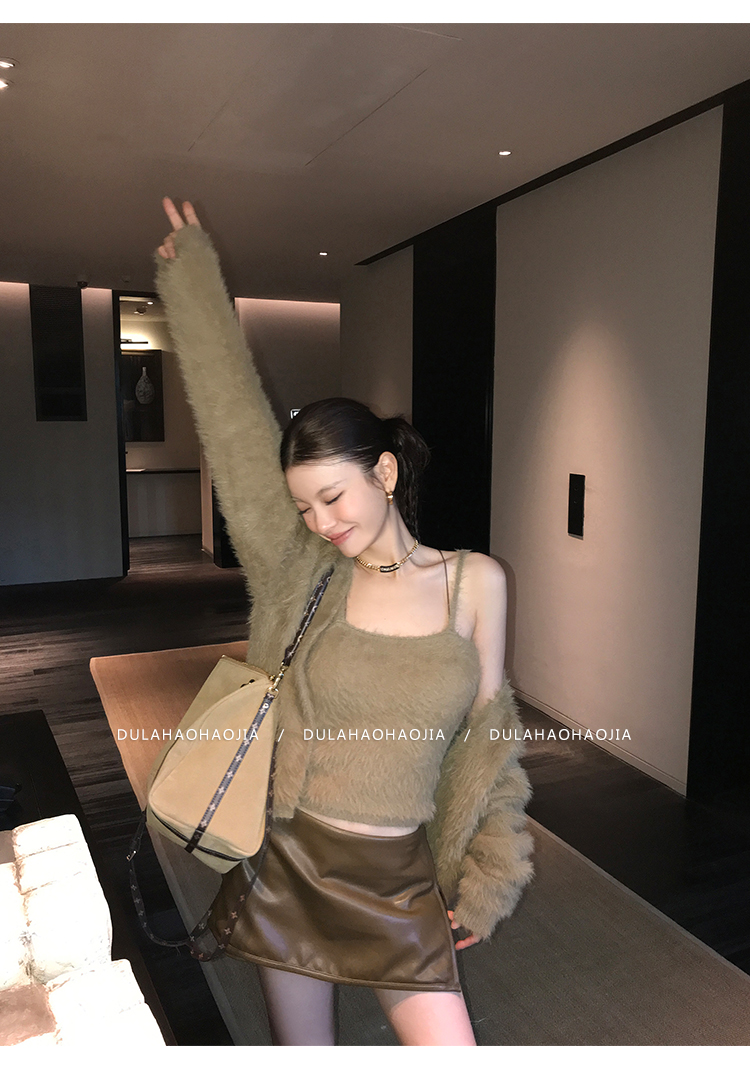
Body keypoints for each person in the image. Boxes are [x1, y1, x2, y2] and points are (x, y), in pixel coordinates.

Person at [155, 198, 535, 1046]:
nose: (321, 522)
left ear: (385, 473)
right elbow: (236, 431)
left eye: (333, 496)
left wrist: (491, 868)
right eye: (303, 508)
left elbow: (489, 741)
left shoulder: (475, 582)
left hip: (397, 877)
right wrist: (193, 285)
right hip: (292, 858)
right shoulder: (306, 575)